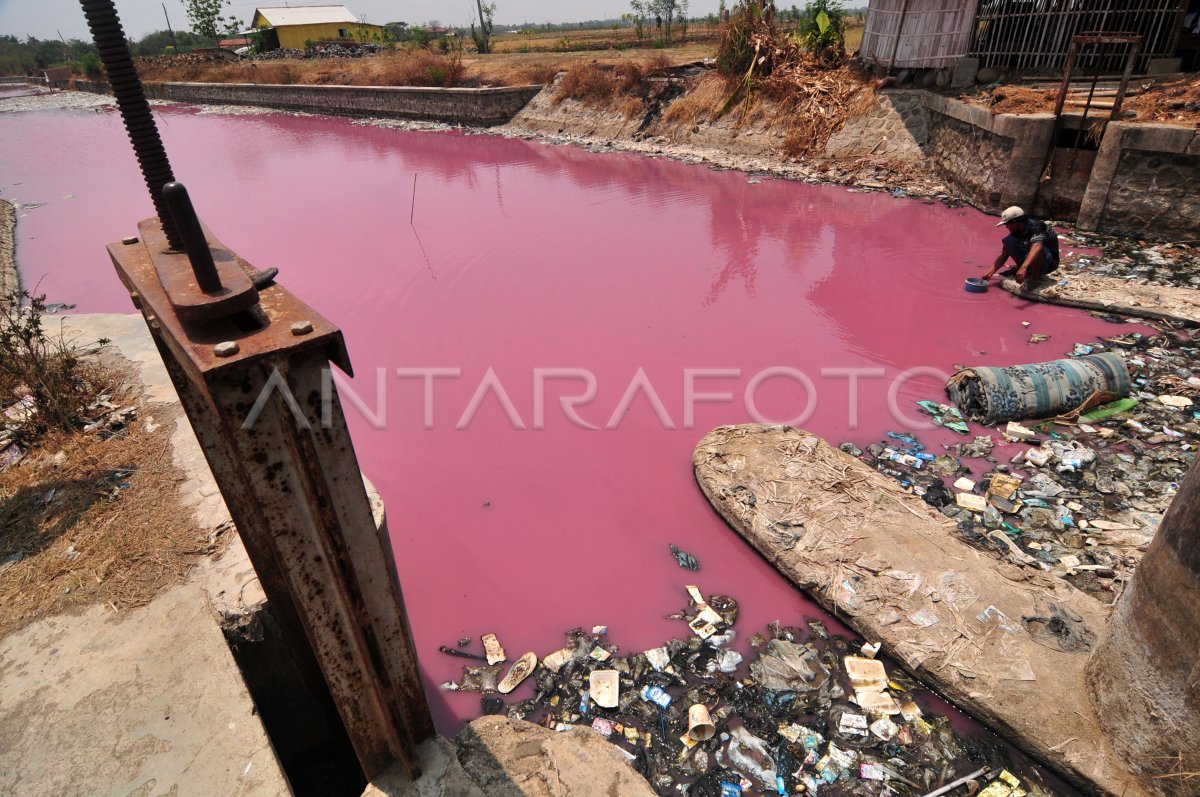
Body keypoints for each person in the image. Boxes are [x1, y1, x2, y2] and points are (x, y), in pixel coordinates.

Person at [983, 206, 1060, 291]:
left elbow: (1037, 246)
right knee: (1008, 241)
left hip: (1049, 262)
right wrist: (990, 272)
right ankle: (1023, 271)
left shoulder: (1037, 226)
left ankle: (1034, 278)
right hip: (1030, 258)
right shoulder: (1017, 231)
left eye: (1007, 224)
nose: (1006, 227)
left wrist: (1023, 267)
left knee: (1037, 250)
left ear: (1015, 222)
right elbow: (1004, 255)